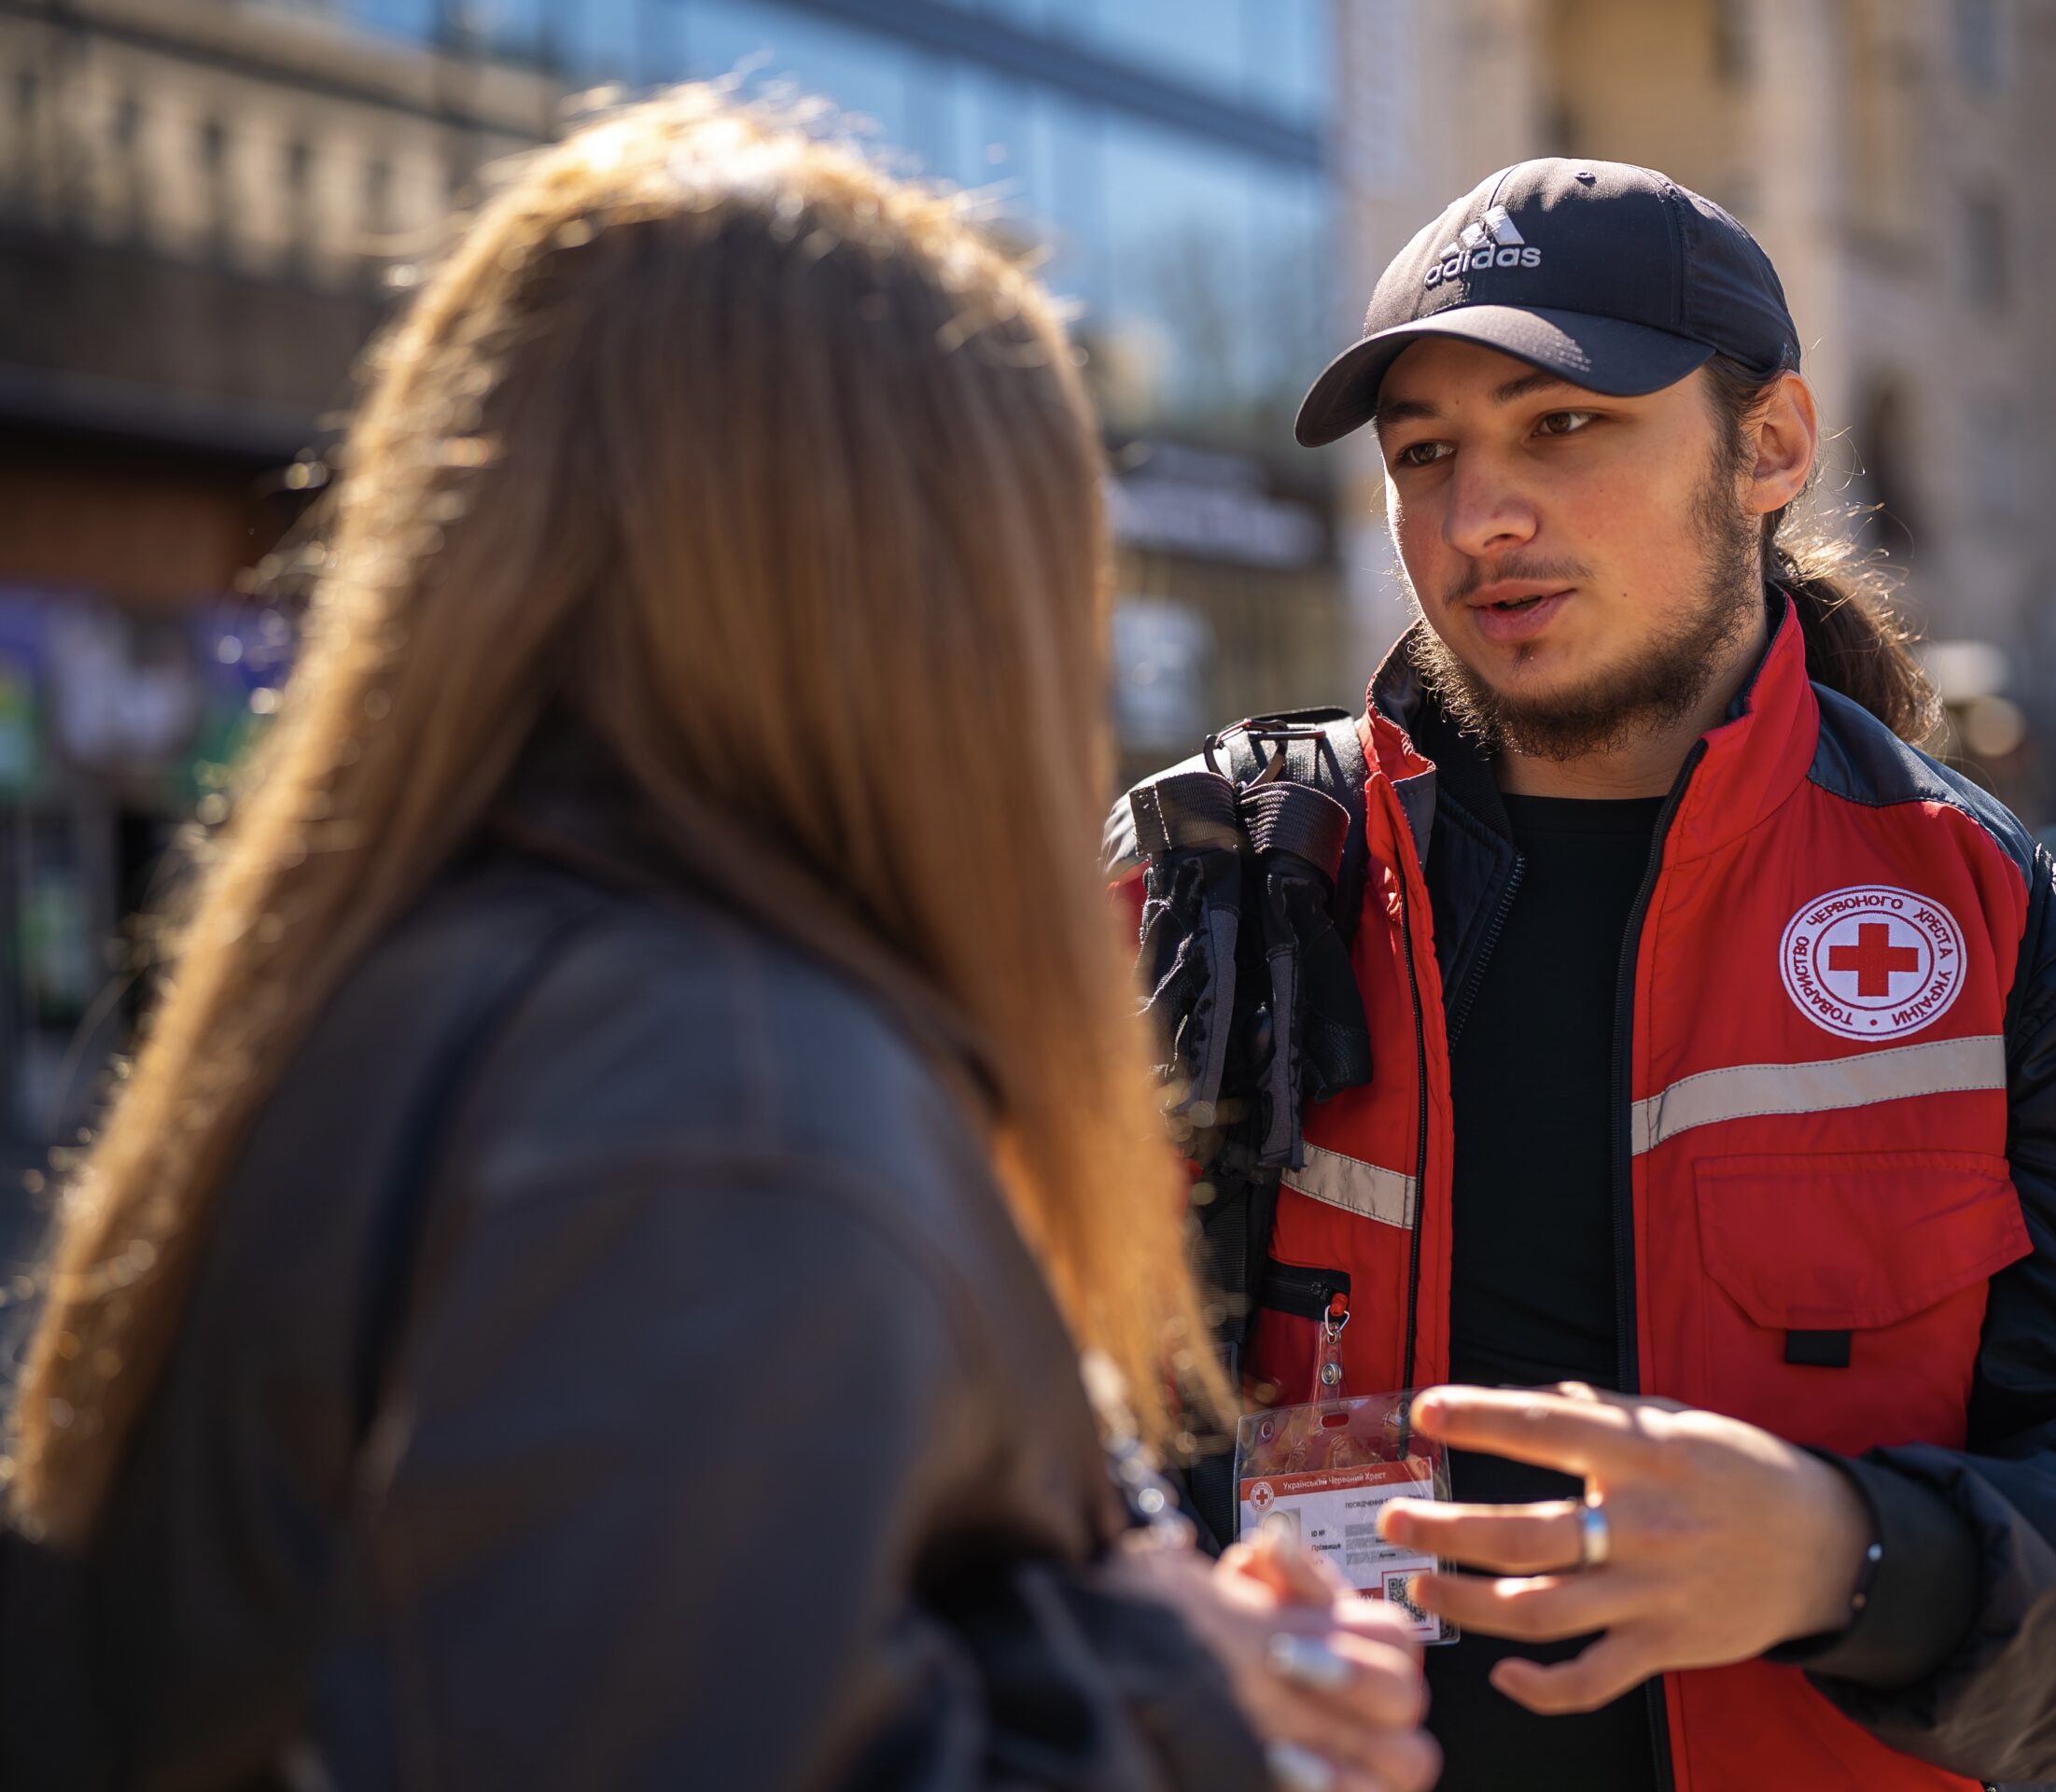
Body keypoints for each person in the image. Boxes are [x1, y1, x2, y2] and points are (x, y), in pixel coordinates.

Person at [0, 92, 1440, 1792]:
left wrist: (1097, 1621)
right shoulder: (719, 1099)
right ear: (933, 593)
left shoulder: (439, 986)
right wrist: (1181, 1689)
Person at [1112, 160, 2056, 1791]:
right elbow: (1003, 1441)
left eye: (1562, 426)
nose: (1477, 518)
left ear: (1771, 447)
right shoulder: (1222, 887)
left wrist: (1838, 1557)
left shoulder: (2037, 951)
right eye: (1424, 454)